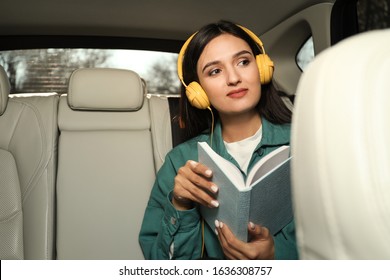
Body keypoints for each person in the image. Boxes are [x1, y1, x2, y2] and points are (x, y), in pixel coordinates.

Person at [139, 20, 298, 260]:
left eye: (243, 62)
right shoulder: (179, 162)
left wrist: (278, 254)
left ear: (263, 68)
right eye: (215, 71)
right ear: (198, 92)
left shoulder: (306, 142)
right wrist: (181, 205)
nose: (233, 78)